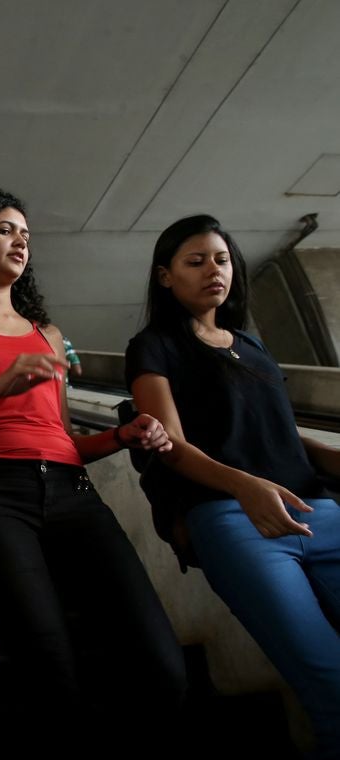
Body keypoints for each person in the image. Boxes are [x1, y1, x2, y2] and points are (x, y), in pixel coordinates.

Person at [0, 187, 186, 753]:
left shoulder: (48, 335)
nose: (21, 242)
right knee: (48, 660)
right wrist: (1, 385)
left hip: (73, 493)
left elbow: (62, 438)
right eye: (6, 230)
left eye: (26, 235)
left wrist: (120, 435)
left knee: (158, 653)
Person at [126, 214, 340, 758]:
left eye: (220, 260)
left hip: (320, 512)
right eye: (194, 262)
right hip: (236, 521)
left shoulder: (251, 345)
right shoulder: (155, 346)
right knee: (326, 674)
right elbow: (168, 443)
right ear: (165, 277)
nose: (212, 271)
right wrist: (244, 487)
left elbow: (281, 435)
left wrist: (331, 457)